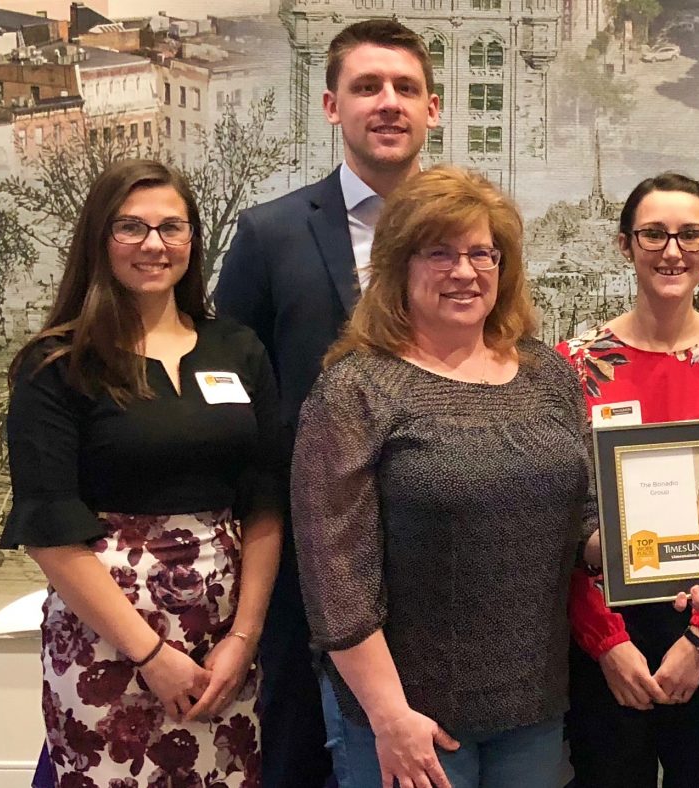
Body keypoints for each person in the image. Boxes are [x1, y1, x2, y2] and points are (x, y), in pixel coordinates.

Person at [290, 166, 587, 787]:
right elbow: (335, 579)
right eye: (440, 253)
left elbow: (582, 518)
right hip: (409, 720)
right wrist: (389, 716)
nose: (465, 271)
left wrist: (659, 556)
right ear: (399, 265)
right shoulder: (355, 389)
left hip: (533, 708)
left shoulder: (549, 375)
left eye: (482, 253)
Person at [2, 158, 283, 784]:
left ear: (192, 241)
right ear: (99, 238)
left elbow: (265, 499)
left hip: (224, 643)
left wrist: (244, 638)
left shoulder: (237, 349)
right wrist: (151, 654)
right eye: (131, 226)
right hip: (108, 641)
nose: (154, 244)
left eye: (171, 227)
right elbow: (50, 528)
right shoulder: (58, 364)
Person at [213, 17, 439, 785]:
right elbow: (235, 397)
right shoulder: (268, 234)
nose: (388, 102)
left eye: (405, 87)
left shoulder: (473, 237)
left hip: (439, 544)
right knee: (301, 753)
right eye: (367, 86)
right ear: (331, 106)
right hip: (304, 558)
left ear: (433, 108)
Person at [557, 172, 699, 788]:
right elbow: (559, 521)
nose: (672, 251)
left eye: (690, 235)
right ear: (625, 244)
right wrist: (606, 642)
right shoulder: (575, 365)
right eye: (653, 234)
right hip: (608, 643)